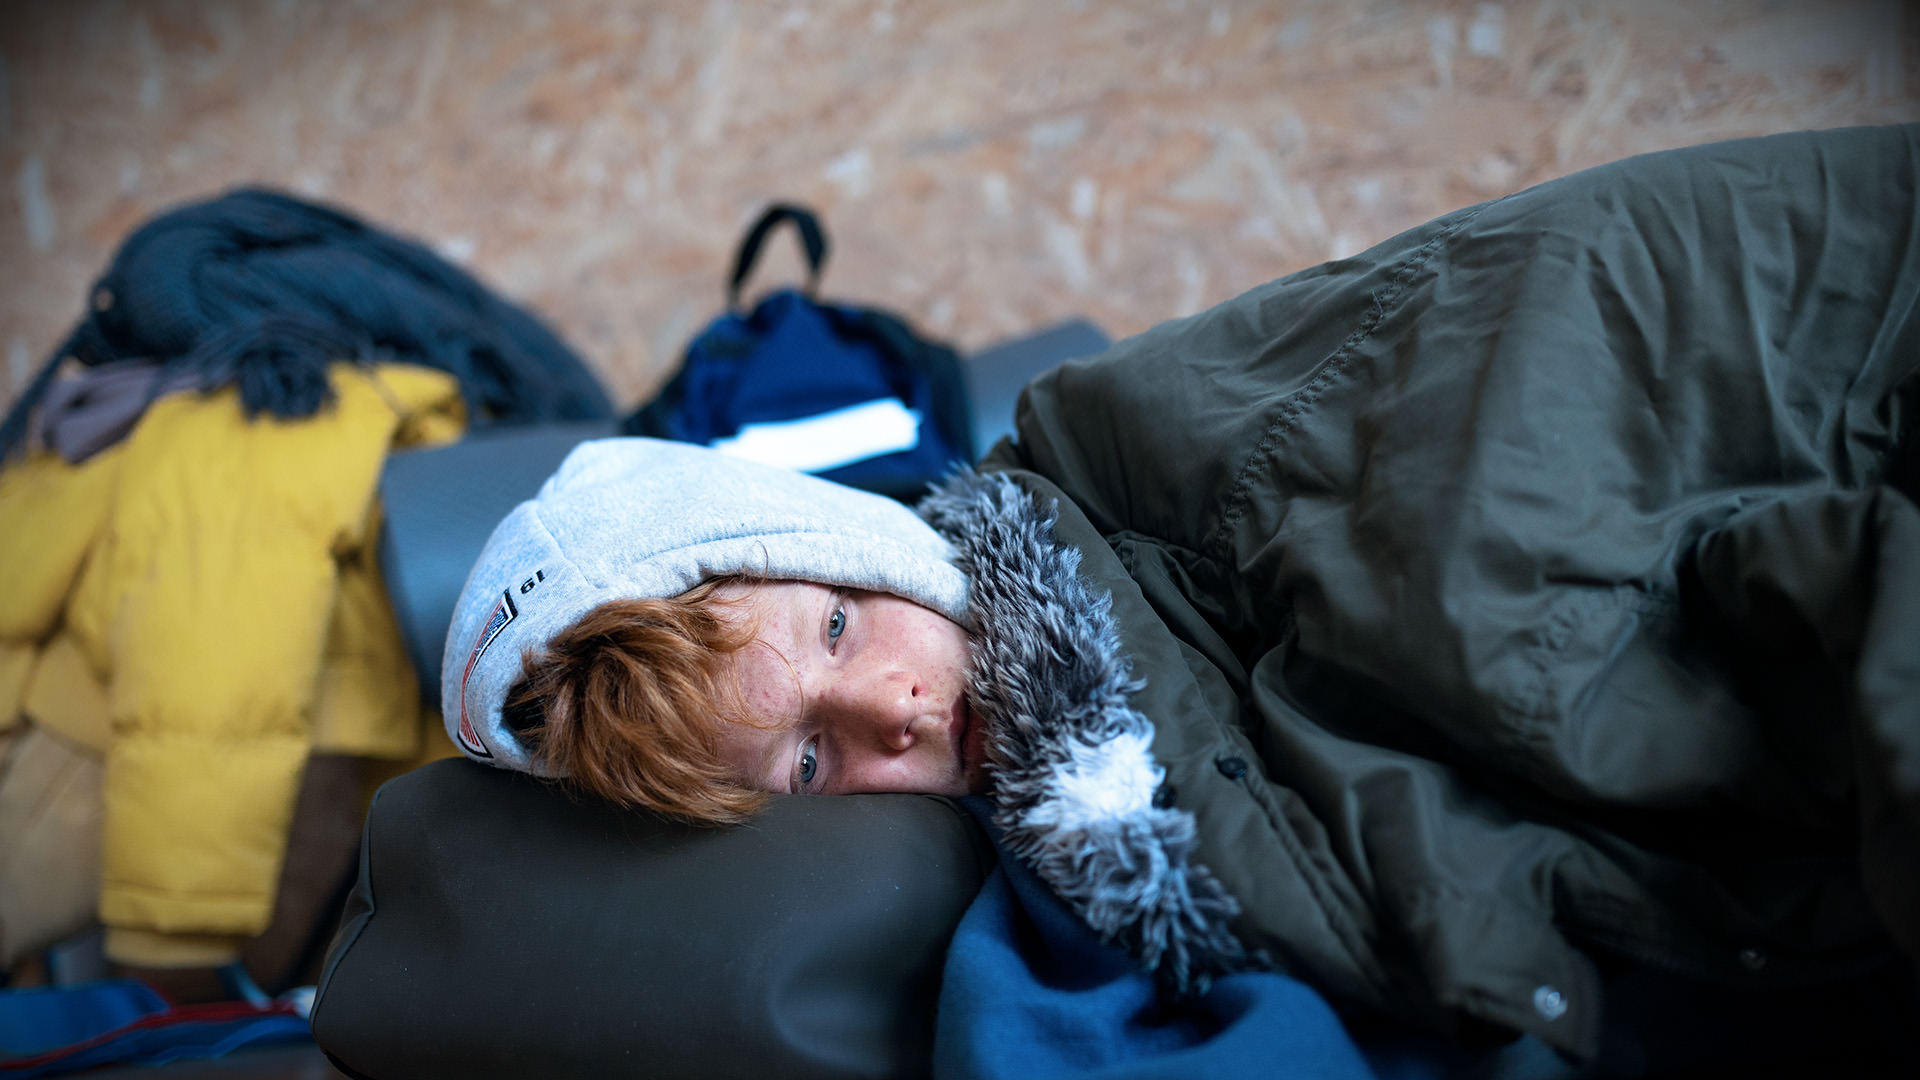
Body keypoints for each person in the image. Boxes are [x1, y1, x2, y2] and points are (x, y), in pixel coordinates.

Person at [447, 123, 1920, 1069]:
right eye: (813, 758)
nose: (896, 709)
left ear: (855, 546)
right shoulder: (1054, 813)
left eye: (838, 631)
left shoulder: (1196, 466)